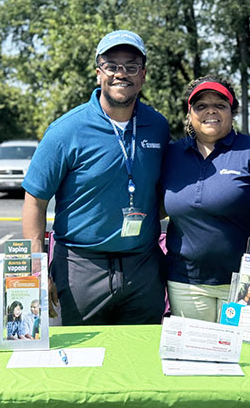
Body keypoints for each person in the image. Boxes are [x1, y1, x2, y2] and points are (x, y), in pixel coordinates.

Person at [22, 30, 170, 326]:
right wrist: (36, 272)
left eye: (131, 66)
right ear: (98, 72)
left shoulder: (158, 126)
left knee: (140, 363)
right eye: (112, 65)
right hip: (79, 268)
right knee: (78, 363)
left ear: (143, 75)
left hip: (143, 268)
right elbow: (34, 202)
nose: (121, 74)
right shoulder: (66, 130)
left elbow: (167, 193)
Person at [161, 75, 250, 322]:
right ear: (190, 114)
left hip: (245, 285)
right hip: (185, 283)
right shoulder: (171, 154)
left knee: (246, 357)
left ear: (232, 111)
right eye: (201, 106)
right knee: (194, 357)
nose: (211, 111)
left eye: (220, 104)